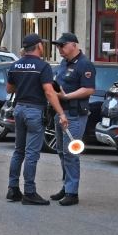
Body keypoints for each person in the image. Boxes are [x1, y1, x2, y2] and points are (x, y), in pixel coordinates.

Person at [5, 33, 67, 206]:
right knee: (32, 153)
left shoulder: (15, 65)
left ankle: (13, 189)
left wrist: (24, 83)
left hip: (19, 109)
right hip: (34, 111)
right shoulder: (43, 66)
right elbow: (48, 91)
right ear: (39, 46)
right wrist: (61, 113)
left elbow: (9, 89)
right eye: (43, 44)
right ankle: (30, 192)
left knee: (19, 151)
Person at [50, 31, 96, 206]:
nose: (59, 48)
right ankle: (66, 186)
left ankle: (72, 192)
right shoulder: (63, 63)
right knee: (61, 152)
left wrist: (67, 96)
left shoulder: (84, 64)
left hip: (74, 114)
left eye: (62, 45)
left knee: (70, 153)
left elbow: (89, 89)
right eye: (58, 46)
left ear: (73, 45)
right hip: (60, 112)